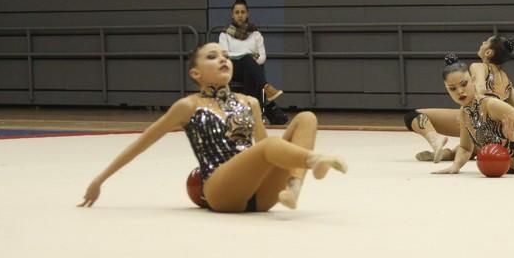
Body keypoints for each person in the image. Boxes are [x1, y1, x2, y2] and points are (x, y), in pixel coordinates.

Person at [79, 42, 347, 212]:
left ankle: (294, 187)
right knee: (271, 146)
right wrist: (99, 180)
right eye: (212, 56)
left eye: (226, 56)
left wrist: (279, 162)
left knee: (307, 118)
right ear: (196, 74)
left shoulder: (250, 102)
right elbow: (142, 143)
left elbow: (266, 152)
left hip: (261, 194)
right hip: (221, 190)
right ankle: (314, 159)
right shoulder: (188, 106)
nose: (223, 59)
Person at [405, 36, 514, 163]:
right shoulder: (507, 81)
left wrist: (471, 113)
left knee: (412, 116)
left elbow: (480, 87)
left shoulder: (479, 66)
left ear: (488, 52)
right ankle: (449, 154)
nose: (482, 42)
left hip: (480, 116)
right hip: (497, 131)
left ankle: (435, 139)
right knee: (473, 144)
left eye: (485, 42)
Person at [218, 0, 283, 107]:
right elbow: (225, 55)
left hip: (251, 69)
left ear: (247, 14)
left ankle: (248, 109)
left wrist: (248, 60)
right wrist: (246, 56)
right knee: (247, 60)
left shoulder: (256, 34)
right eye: (237, 12)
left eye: (243, 12)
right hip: (232, 70)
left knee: (249, 70)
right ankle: (266, 87)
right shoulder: (224, 34)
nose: (240, 15)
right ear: (232, 15)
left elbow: (262, 57)